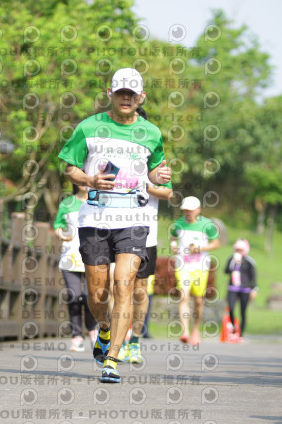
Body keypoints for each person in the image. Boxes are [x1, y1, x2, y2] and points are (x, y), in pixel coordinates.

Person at [58, 68, 172, 383]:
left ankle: (112, 359)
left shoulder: (151, 132)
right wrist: (90, 179)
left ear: (141, 98)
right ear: (110, 93)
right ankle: (104, 329)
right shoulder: (89, 127)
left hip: (134, 220)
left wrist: (158, 176)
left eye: (132, 93)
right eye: (121, 92)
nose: (126, 97)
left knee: (124, 283)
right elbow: (70, 167)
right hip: (94, 219)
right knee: (97, 294)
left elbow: (156, 171)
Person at [118, 106, 172, 363]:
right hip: (113, 230)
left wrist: (144, 184)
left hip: (144, 233)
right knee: (115, 287)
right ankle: (114, 337)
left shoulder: (156, 160)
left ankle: (135, 341)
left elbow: (167, 192)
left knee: (139, 291)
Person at [170, 196, 220, 346]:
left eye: (190, 210)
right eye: (185, 210)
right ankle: (184, 331)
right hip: (183, 265)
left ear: (198, 210)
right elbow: (172, 237)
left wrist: (200, 248)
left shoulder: (207, 225)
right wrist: (173, 245)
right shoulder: (178, 224)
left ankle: (196, 329)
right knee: (184, 296)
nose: (187, 213)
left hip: (200, 266)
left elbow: (216, 243)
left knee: (198, 300)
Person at [54, 183, 98, 352]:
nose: (84, 181)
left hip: (93, 256)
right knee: (73, 295)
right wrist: (62, 235)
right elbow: (57, 225)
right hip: (70, 257)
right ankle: (76, 336)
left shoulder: (98, 201)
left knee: (89, 296)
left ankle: (93, 330)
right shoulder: (67, 203)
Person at [224, 238, 257, 341]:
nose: (238, 252)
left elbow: (253, 276)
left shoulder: (249, 261)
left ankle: (241, 334)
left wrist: (254, 289)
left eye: (240, 250)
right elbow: (226, 271)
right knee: (231, 308)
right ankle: (233, 330)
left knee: (243, 311)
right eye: (237, 249)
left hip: (245, 289)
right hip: (232, 288)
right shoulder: (231, 259)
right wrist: (234, 263)